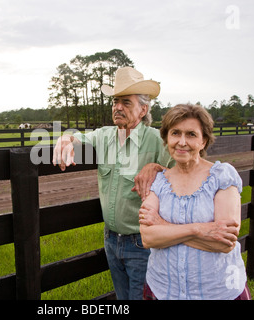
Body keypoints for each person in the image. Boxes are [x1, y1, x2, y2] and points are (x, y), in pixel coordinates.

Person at [53, 67, 174, 300]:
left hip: (142, 242)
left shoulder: (157, 140)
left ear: (143, 110)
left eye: (126, 102)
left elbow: (183, 174)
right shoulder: (104, 135)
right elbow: (77, 138)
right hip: (111, 240)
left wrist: (156, 167)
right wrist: (65, 138)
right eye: (116, 101)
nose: (118, 107)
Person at [139, 104, 251, 300]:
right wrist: (199, 229)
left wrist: (164, 227)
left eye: (191, 134)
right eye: (175, 133)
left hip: (216, 291)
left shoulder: (222, 176)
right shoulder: (158, 181)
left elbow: (225, 242)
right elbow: (148, 238)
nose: (182, 142)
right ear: (166, 138)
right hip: (165, 289)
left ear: (203, 140)